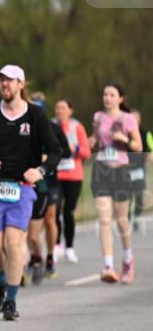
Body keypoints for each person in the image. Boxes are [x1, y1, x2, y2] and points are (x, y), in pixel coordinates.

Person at [0, 65, 62, 321]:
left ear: (20, 84)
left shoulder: (35, 115)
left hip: (22, 189)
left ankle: (11, 301)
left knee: (13, 244)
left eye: (9, 80)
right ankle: (1, 282)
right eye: (1, 80)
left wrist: (40, 170)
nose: (4, 84)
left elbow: (56, 151)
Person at [89, 83, 143, 283]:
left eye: (112, 95)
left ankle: (128, 259)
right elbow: (95, 141)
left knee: (121, 221)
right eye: (105, 94)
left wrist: (125, 139)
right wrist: (92, 143)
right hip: (101, 170)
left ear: (120, 98)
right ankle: (108, 266)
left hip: (121, 171)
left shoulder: (127, 118)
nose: (107, 98)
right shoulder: (98, 117)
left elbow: (138, 147)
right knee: (104, 220)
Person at [24, 117, 71, 284]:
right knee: (29, 227)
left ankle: (50, 257)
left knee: (50, 220)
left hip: (50, 183)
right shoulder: (22, 127)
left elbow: (65, 151)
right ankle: (34, 257)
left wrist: (48, 157)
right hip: (31, 183)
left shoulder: (53, 128)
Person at [54, 99, 90, 264]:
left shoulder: (77, 127)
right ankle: (57, 245)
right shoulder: (51, 126)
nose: (59, 111)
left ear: (70, 111)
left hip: (74, 176)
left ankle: (69, 247)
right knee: (54, 211)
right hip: (56, 176)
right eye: (57, 108)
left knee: (68, 211)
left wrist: (75, 148)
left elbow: (86, 152)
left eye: (63, 108)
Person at [129, 111, 149, 231]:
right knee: (126, 196)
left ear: (139, 121)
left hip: (139, 170)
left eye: (135, 120)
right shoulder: (124, 135)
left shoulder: (146, 134)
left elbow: (151, 150)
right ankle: (126, 218)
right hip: (125, 170)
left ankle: (136, 217)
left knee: (139, 196)